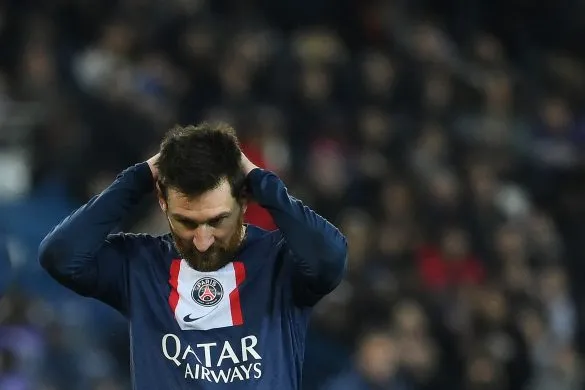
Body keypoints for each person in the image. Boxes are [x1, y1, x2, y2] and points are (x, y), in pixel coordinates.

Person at [38, 122, 348, 389]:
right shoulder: (141, 265)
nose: (202, 241)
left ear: (243, 201)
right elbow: (61, 256)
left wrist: (260, 180)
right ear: (162, 201)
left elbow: (331, 258)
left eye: (217, 221)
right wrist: (136, 179)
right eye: (186, 222)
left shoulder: (279, 262)